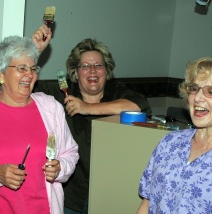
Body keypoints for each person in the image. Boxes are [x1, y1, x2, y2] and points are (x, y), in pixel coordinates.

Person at [32, 26, 152, 213]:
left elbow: (140, 105)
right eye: (85, 66)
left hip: (108, 193)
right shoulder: (60, 94)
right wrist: (34, 51)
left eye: (98, 65)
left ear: (107, 70)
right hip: (69, 195)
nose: (93, 71)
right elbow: (20, 87)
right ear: (75, 71)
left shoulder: (116, 92)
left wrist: (87, 108)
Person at [0, 35, 79, 214]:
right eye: (21, 68)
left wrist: (60, 168)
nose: (30, 74)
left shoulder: (51, 109)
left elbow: (70, 153)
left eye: (33, 68)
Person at [137, 55, 212, 213]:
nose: (198, 98)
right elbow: (146, 203)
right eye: (194, 89)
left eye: (211, 91)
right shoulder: (169, 143)